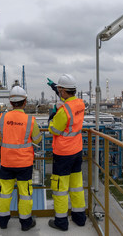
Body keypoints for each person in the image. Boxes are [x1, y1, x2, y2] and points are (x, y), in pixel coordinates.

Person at [0, 86, 42, 231]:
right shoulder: (30, 120)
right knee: (25, 194)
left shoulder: (2, 118)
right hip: (24, 164)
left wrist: (4, 156)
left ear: (10, 102)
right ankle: (25, 223)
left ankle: (2, 222)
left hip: (7, 162)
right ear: (25, 102)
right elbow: (38, 140)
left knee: (4, 194)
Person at [48, 74, 86, 231]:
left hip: (63, 154)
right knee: (76, 186)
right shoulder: (80, 104)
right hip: (77, 150)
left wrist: (52, 114)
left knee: (60, 189)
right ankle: (79, 218)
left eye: (60, 90)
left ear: (63, 91)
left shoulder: (63, 111)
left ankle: (61, 222)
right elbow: (68, 99)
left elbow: (53, 129)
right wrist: (56, 87)